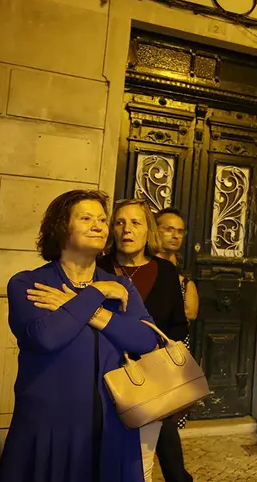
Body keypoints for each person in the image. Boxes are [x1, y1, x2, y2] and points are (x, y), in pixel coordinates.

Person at [0, 189, 159, 482]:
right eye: (86, 218)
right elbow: (45, 338)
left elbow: (146, 340)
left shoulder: (120, 286)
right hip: (49, 427)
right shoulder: (28, 283)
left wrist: (89, 310)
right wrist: (96, 293)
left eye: (101, 219)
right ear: (61, 227)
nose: (98, 225)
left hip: (112, 424)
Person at [98, 199, 192, 482]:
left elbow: (178, 324)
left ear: (147, 231)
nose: (127, 230)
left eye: (135, 223)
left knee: (155, 448)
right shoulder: (98, 267)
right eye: (119, 222)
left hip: (151, 375)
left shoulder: (164, 271)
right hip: (104, 373)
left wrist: (156, 353)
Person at [156, 207, 199, 432]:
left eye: (180, 231)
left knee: (170, 413)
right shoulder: (141, 265)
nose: (175, 235)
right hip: (144, 348)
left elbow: (190, 314)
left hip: (172, 346)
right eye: (168, 229)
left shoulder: (183, 277)